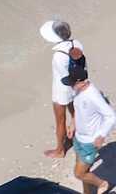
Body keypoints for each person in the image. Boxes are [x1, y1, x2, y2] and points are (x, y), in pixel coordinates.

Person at [61, 65, 113, 194]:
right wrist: (73, 123)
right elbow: (78, 109)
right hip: (78, 137)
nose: (70, 85)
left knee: (79, 173)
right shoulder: (78, 90)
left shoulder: (93, 96)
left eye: (72, 83)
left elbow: (111, 116)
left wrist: (101, 135)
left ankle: (102, 183)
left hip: (90, 141)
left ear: (80, 82)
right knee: (85, 172)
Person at [41, 20, 85, 157]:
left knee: (60, 120)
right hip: (77, 84)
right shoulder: (77, 44)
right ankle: (79, 137)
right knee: (75, 113)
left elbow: (64, 78)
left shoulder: (58, 56)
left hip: (62, 89)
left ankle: (60, 150)